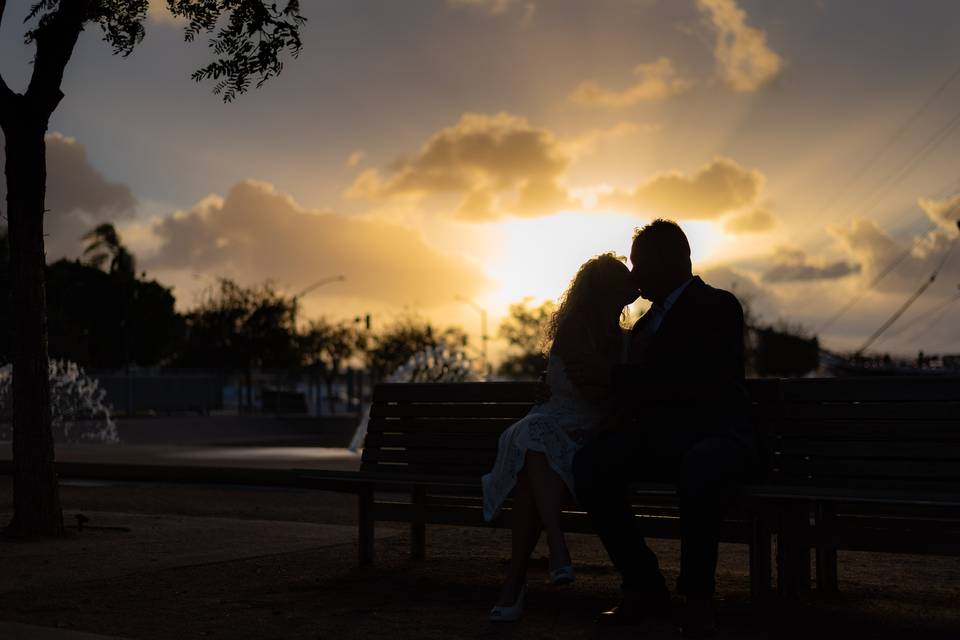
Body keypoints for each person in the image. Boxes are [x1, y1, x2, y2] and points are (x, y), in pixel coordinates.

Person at [572, 220, 756, 639]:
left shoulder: (719, 306)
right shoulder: (642, 326)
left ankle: (697, 598)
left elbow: (691, 379)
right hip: (662, 438)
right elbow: (638, 393)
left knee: (701, 465)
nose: (634, 275)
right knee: (592, 464)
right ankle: (643, 584)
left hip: (717, 433)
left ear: (674, 261)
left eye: (641, 263)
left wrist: (613, 377)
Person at [482, 253, 639, 622]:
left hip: (588, 429)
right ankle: (556, 541)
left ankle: (517, 582)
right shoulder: (576, 327)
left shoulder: (628, 337)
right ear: (604, 288)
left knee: (531, 476)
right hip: (558, 421)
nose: (632, 284)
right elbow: (591, 390)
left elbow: (603, 393)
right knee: (537, 434)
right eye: (623, 278)